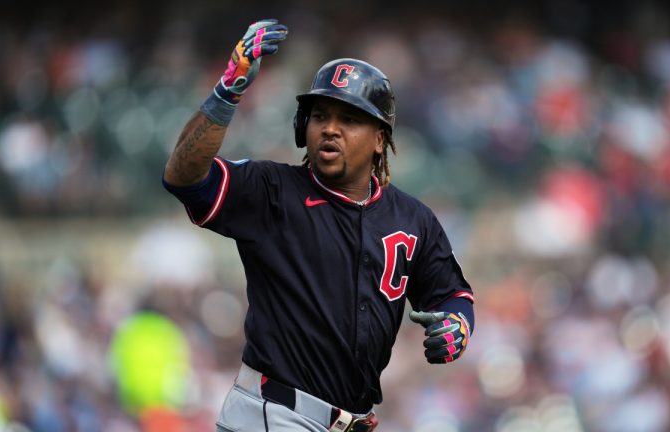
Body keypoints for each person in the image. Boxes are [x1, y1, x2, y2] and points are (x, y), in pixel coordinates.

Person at [162, 19, 475, 432]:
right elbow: (184, 177)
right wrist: (227, 92)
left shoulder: (413, 218)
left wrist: (457, 325)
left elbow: (452, 294)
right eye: (320, 115)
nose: (330, 128)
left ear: (379, 139)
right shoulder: (271, 191)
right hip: (274, 413)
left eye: (350, 119)